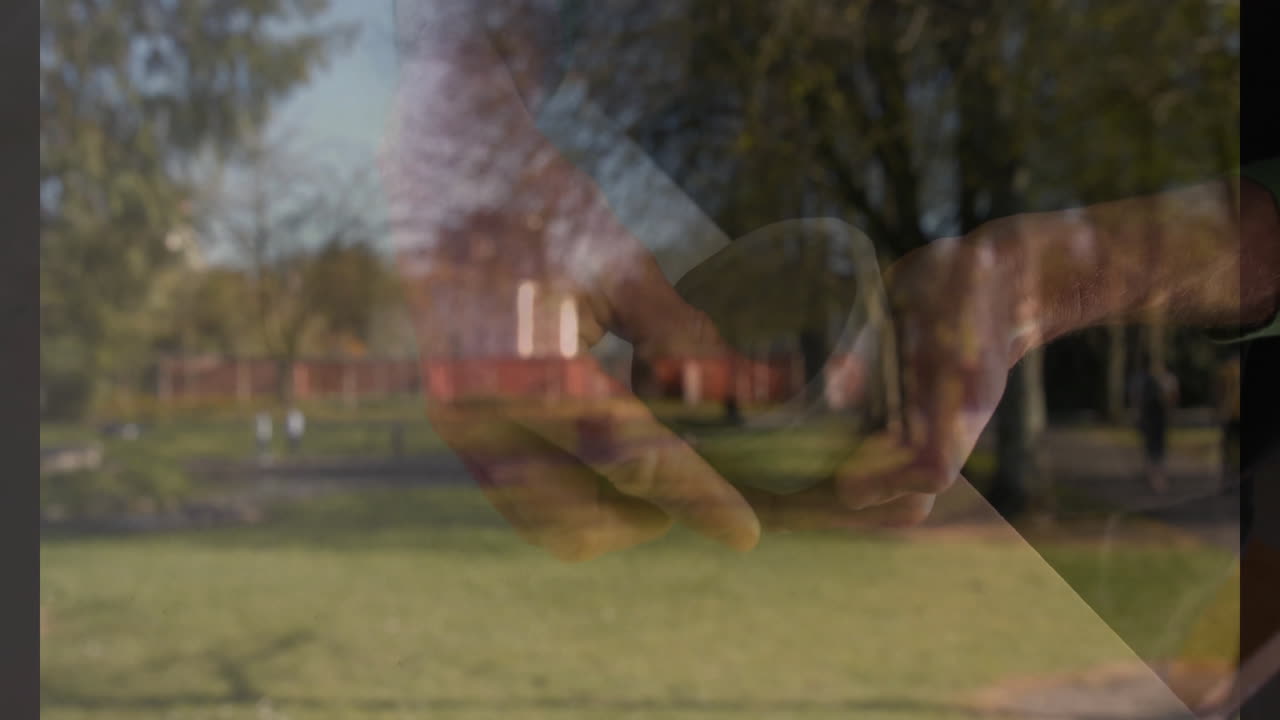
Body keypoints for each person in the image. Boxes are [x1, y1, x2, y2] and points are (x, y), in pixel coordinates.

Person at [1129, 353, 1180, 493]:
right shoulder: (1162, 380)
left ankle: (1154, 477)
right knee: (1156, 448)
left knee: (1152, 448)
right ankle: (1157, 478)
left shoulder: (1145, 380)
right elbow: (1172, 398)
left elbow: (1137, 399)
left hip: (1152, 419)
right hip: (1156, 419)